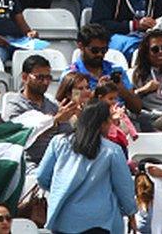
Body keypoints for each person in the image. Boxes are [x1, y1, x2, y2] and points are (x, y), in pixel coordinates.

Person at [37, 100, 137, 234]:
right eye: (109, 121)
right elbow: (124, 187)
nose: (110, 125)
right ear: (102, 123)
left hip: (63, 220)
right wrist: (131, 212)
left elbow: (42, 176)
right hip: (99, 222)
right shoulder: (112, 151)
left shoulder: (58, 142)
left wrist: (61, 187)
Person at [6, 55, 79, 170]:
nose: (45, 82)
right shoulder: (15, 106)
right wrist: (55, 121)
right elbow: (22, 136)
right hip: (27, 163)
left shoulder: (52, 105)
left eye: (48, 77)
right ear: (25, 77)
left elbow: (66, 136)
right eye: (39, 77)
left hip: (55, 162)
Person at [69, 23, 142, 113]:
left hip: (122, 118)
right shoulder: (72, 75)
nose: (100, 54)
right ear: (81, 46)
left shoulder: (116, 70)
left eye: (104, 50)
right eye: (95, 50)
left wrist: (122, 90)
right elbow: (74, 108)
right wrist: (97, 93)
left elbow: (137, 108)